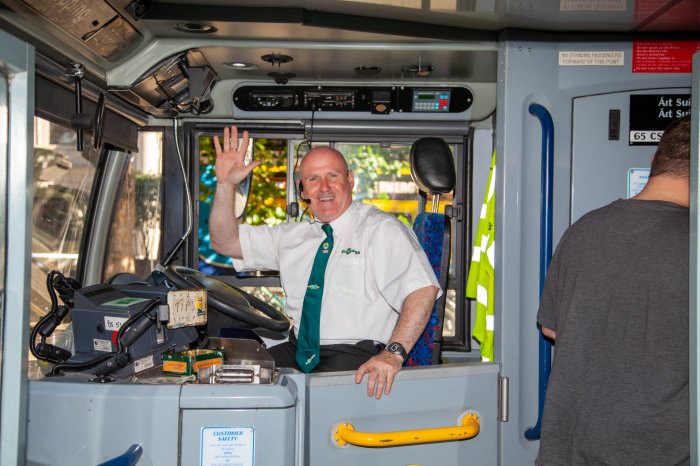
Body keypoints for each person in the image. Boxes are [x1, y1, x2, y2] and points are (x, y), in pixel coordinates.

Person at [209, 125, 441, 399]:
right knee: (229, 380)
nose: (325, 188)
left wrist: (393, 354)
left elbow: (422, 290)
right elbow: (225, 242)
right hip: (299, 350)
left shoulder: (381, 229)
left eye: (333, 175)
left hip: (354, 353)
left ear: (350, 180)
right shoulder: (291, 236)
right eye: (313, 179)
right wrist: (225, 184)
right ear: (303, 190)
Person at [536, 116, 691, 465]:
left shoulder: (583, 229)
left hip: (573, 449)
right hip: (663, 453)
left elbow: (551, 328)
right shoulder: (692, 242)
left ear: (654, 162)